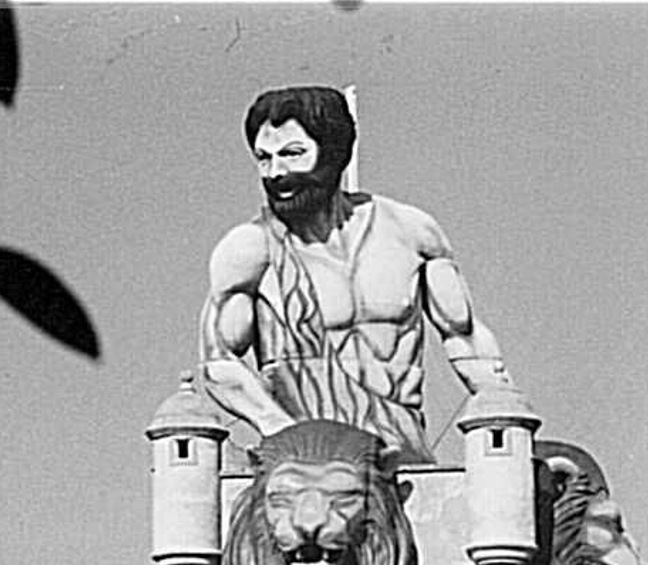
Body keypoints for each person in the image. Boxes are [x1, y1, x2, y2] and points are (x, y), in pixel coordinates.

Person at [200, 85, 515, 464]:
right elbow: (218, 362)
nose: (276, 172)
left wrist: (505, 413)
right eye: (263, 159)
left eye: (293, 154)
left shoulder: (411, 233)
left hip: (400, 457)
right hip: (302, 470)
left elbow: (463, 337)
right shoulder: (250, 250)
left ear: (335, 154)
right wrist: (284, 431)